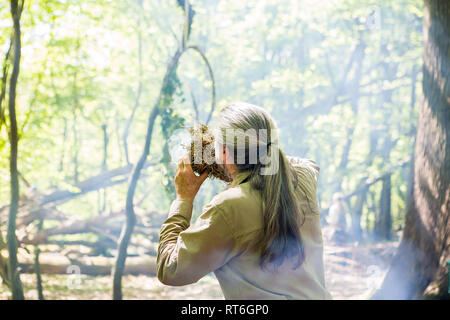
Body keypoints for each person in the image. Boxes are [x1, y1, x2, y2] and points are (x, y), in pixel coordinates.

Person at [157, 102, 331, 299]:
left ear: (224, 152)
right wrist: (241, 167)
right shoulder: (304, 177)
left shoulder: (228, 207)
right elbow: (306, 164)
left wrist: (184, 198)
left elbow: (170, 270)